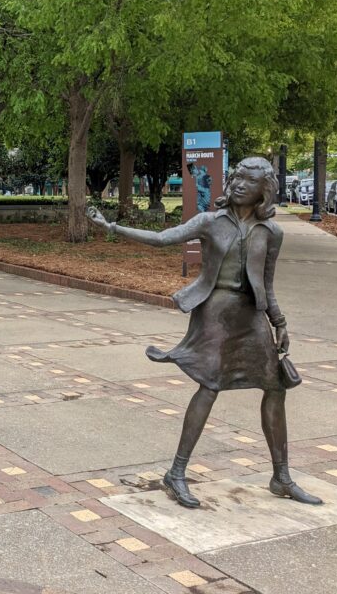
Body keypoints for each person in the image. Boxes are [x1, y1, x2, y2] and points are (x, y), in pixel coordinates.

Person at [87, 157, 321, 509]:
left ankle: (281, 477)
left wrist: (280, 323)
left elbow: (267, 285)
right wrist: (112, 228)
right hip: (214, 313)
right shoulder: (210, 222)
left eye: (249, 180)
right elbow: (161, 239)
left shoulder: (272, 232)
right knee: (209, 386)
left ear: (265, 189)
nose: (239, 184)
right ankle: (176, 473)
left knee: (275, 387)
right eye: (236, 177)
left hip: (251, 317)